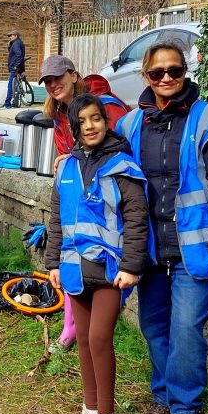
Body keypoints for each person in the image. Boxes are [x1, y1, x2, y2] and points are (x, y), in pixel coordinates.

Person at [116, 41, 208, 414]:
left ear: (186, 72)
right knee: (154, 328)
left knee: (186, 331)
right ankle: (164, 401)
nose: (167, 78)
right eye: (158, 73)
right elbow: (107, 168)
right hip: (148, 250)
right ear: (145, 77)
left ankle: (187, 411)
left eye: (175, 71)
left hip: (196, 248)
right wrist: (70, 158)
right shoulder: (131, 124)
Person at [45, 94, 148, 414]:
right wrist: (52, 262)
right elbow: (56, 219)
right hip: (74, 269)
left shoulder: (123, 167)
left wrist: (131, 266)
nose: (90, 126)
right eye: (83, 122)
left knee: (101, 337)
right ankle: (90, 410)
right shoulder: (67, 168)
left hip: (110, 271)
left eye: (96, 119)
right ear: (74, 129)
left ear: (106, 122)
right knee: (85, 341)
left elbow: (137, 219)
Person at [40, 55, 131, 352]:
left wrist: (79, 156)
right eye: (48, 82)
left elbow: (118, 145)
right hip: (80, 196)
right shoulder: (59, 113)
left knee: (101, 263)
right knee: (72, 256)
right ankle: (72, 328)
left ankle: (85, 330)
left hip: (109, 197)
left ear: (74, 74)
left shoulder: (102, 103)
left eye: (58, 78)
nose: (54, 85)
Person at [4, 30, 25, 109]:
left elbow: (18, 55)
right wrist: (9, 46)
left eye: (11, 36)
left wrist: (16, 67)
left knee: (10, 86)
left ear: (16, 36)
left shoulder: (16, 44)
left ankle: (8, 103)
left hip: (15, 68)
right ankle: (13, 103)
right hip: (19, 66)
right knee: (15, 85)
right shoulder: (19, 43)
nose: (9, 37)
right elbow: (13, 53)